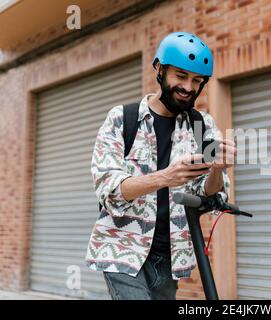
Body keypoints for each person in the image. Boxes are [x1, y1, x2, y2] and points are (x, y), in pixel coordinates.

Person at [85, 31, 236, 300]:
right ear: (159, 69)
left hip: (171, 256)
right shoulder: (122, 119)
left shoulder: (203, 127)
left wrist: (217, 168)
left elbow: (211, 197)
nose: (188, 87)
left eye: (196, 80)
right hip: (122, 248)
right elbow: (109, 190)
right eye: (180, 76)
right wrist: (166, 176)